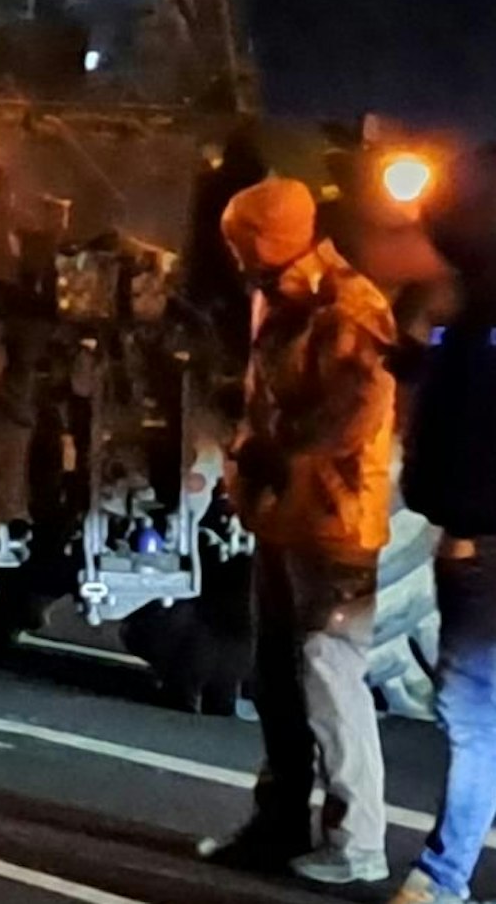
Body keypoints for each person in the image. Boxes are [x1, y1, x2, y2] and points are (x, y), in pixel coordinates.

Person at [199, 176, 396, 885]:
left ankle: (357, 843)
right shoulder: (278, 299)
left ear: (265, 242)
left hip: (334, 527)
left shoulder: (346, 308)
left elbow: (353, 415)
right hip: (284, 519)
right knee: (278, 680)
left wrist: (270, 448)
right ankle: (277, 824)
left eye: (240, 243)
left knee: (329, 677)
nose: (233, 258)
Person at [393, 144, 496, 904]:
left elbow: (455, 437)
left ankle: (443, 877)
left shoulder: (470, 321)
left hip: (479, 545)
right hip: (472, 538)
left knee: (473, 719)